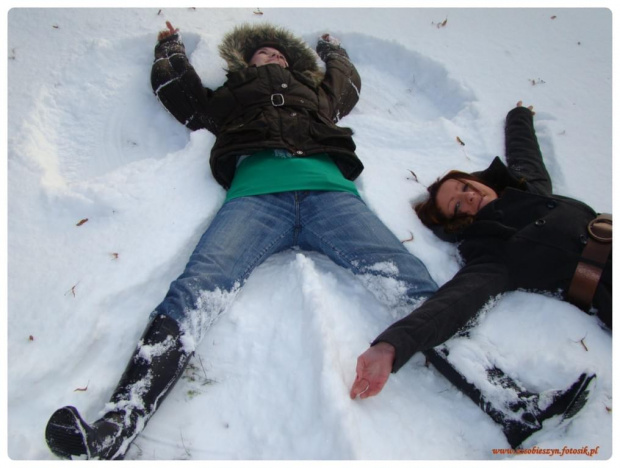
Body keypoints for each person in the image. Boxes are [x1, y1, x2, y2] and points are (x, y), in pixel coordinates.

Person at [44, 22, 438, 460]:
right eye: (265, 53)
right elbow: (181, 94)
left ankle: (499, 393)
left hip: (331, 196)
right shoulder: (229, 97)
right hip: (256, 200)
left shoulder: (315, 95)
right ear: (245, 61)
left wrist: (331, 51)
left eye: (281, 55)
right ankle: (118, 423)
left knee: (408, 281)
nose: (275, 57)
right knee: (196, 290)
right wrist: (169, 49)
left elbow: (345, 87)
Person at [350, 102, 611, 403]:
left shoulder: (530, 191)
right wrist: (391, 346)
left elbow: (525, 154)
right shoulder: (494, 250)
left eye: (464, 186)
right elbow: (454, 303)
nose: (470, 196)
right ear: (457, 221)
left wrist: (519, 116)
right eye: (458, 205)